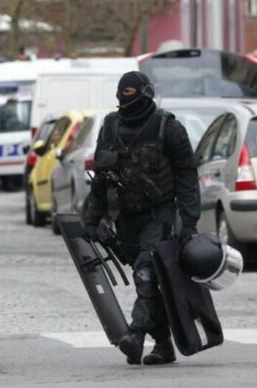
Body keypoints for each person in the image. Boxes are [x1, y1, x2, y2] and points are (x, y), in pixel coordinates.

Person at [84, 71, 200, 366]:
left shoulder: (168, 128)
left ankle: (135, 336)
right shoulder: (110, 127)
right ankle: (163, 345)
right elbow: (100, 179)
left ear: (146, 93)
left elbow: (187, 175)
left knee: (146, 274)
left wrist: (188, 222)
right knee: (146, 283)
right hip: (125, 218)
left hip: (158, 214)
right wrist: (91, 219)